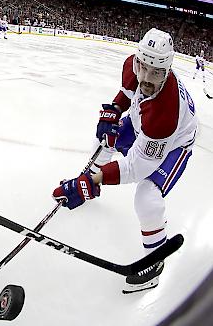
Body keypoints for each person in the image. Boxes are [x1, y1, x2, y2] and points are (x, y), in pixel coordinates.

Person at [52, 28, 198, 294]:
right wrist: (113, 111)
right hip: (141, 119)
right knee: (103, 142)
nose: (147, 78)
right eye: (143, 68)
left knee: (147, 198)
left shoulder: (166, 113)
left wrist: (89, 180)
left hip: (175, 142)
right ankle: (88, 188)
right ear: (138, 61)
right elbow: (128, 93)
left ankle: (154, 261)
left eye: (156, 73)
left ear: (167, 71)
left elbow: (135, 167)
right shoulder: (133, 66)